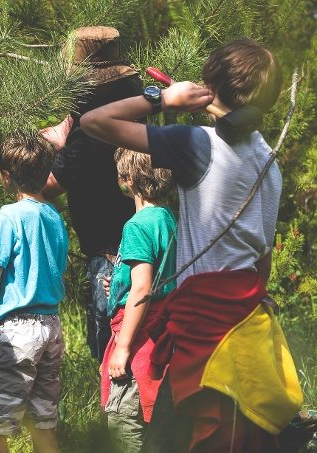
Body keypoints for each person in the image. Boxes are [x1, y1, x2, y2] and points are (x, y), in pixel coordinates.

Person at [80, 38, 303, 452]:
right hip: (248, 330)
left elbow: (94, 122)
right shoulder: (270, 163)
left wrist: (162, 98)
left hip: (203, 338)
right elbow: (263, 262)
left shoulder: (198, 143)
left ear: (211, 85)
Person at [40, 26, 140, 362]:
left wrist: (53, 143)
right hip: (129, 245)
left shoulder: (87, 137)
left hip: (111, 256)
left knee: (108, 345)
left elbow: (46, 185)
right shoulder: (130, 113)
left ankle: (113, 413)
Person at [0, 135, 68, 453]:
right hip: (52, 327)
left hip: (15, 329)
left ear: (5, 175)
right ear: (46, 174)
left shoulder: (10, 215)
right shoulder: (55, 218)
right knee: (43, 423)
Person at [100, 148, 176, 452]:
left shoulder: (137, 225)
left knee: (123, 424)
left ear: (128, 179)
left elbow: (143, 289)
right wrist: (118, 286)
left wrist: (123, 348)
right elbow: (145, 279)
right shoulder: (167, 218)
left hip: (139, 338)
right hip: (161, 335)